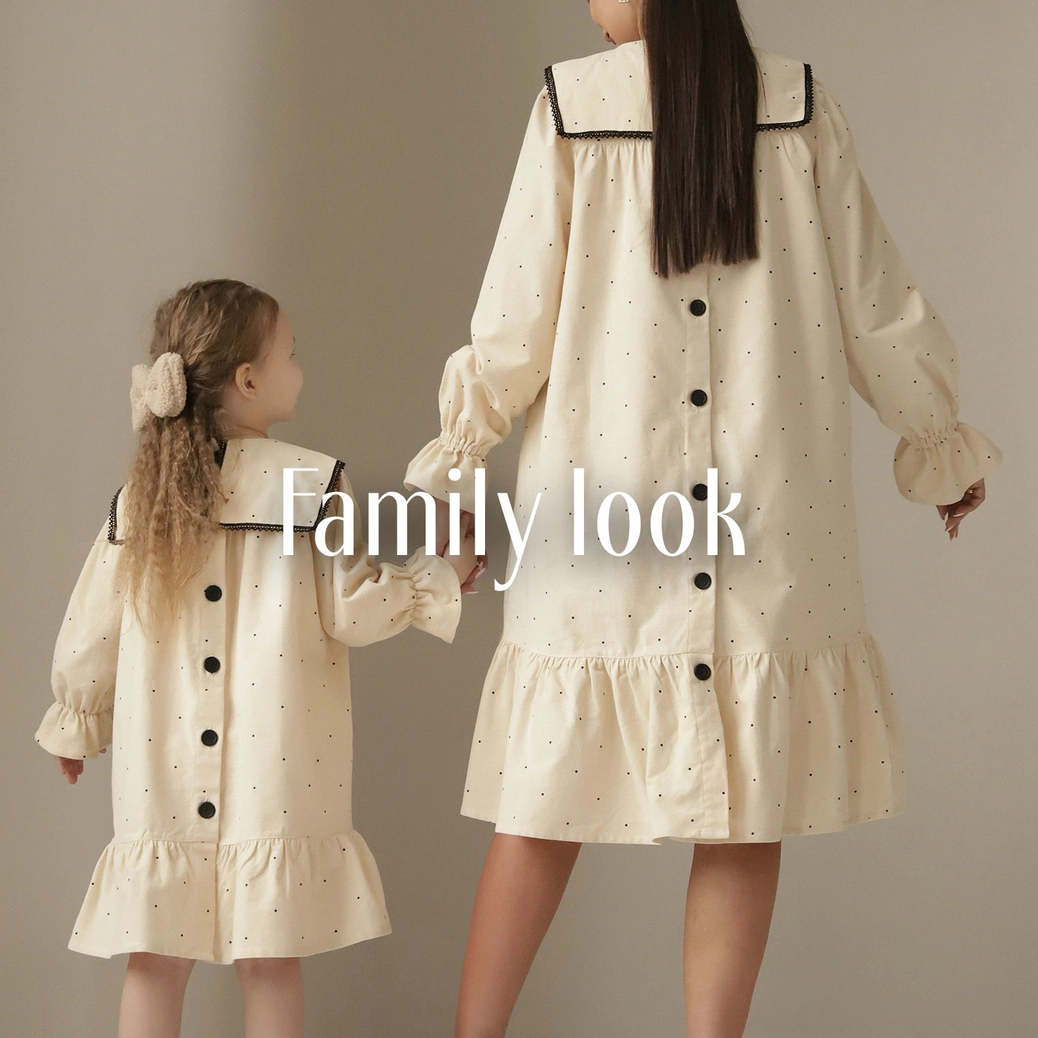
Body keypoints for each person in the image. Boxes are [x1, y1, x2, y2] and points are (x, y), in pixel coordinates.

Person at [403, 1, 1003, 1036]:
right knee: (744, 815)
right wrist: (935, 437)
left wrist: (454, 473)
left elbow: (511, 329)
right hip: (771, 520)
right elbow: (878, 305)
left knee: (543, 801)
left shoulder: (572, 107)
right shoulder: (798, 104)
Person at [33, 278, 480, 1038]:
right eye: (291, 355)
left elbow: (92, 624)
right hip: (280, 772)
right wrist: (438, 575)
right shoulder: (313, 483)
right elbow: (354, 608)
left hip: (161, 767)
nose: (300, 369)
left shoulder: (141, 496)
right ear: (248, 380)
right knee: (269, 962)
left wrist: (78, 721)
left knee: (154, 959)